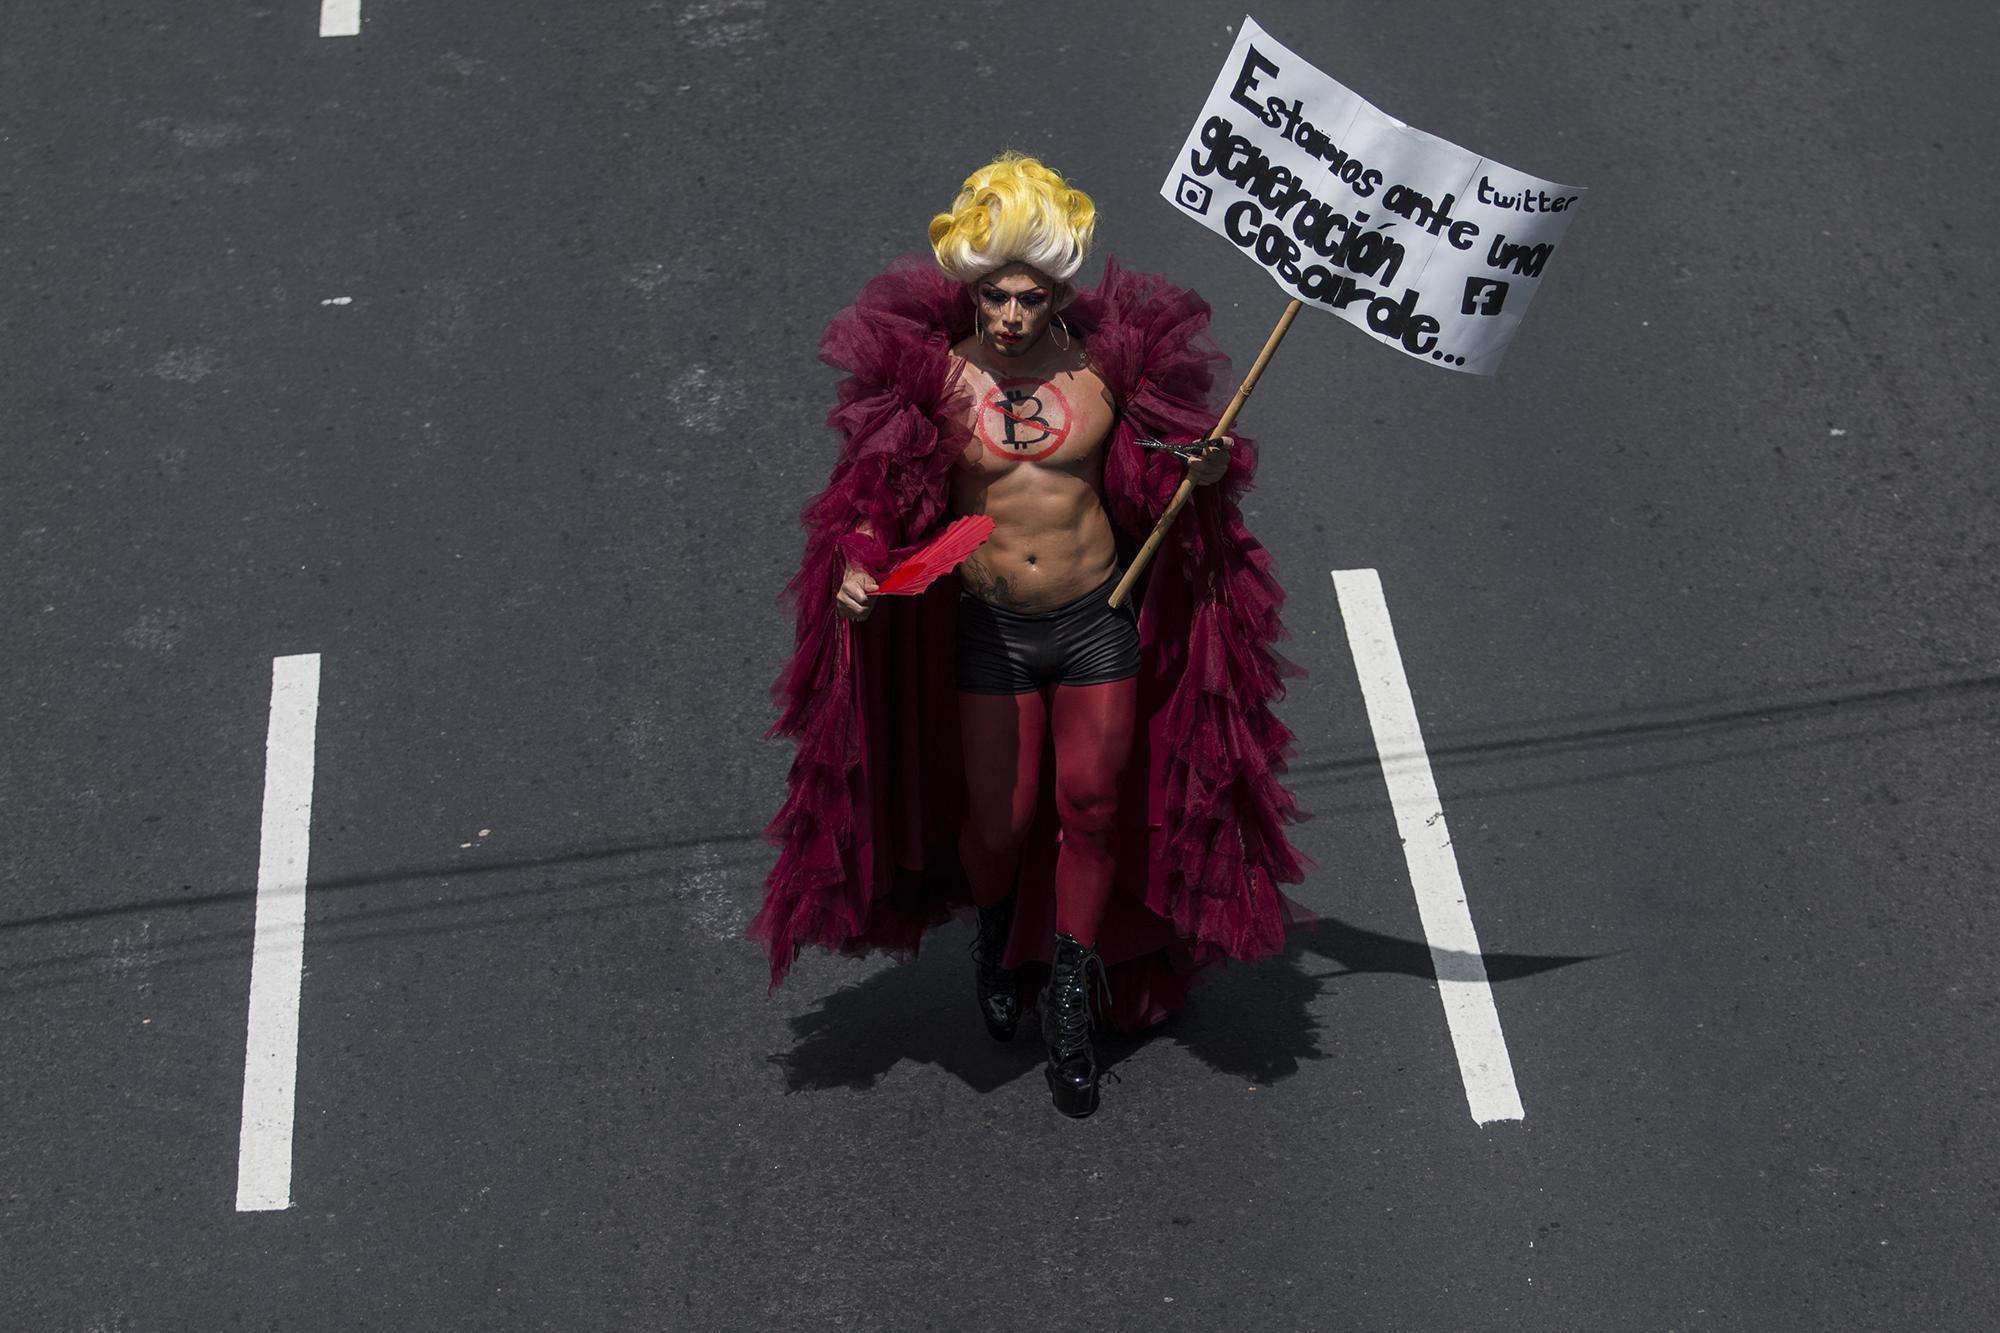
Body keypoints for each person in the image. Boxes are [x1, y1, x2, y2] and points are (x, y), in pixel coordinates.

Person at [753, 153, 1308, 1118]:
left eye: (1031, 297)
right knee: (1001, 823)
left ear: (1058, 294)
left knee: (1090, 808)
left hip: (1099, 619)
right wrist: (859, 561)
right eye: (995, 296)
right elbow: (882, 495)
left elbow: (1164, 475)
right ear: (972, 286)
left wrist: (1202, 470)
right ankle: (1001, 924)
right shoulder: (932, 380)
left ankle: (1066, 993)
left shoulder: (1105, 372)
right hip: (992, 633)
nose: (1010, 315)